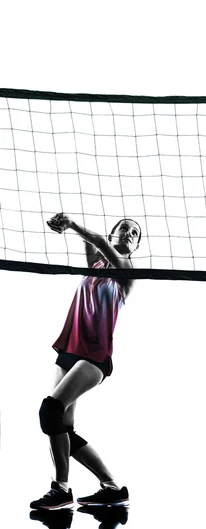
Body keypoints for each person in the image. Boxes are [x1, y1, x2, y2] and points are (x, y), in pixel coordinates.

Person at [30, 214, 141, 509]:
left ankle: (61, 489)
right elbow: (92, 243)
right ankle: (113, 487)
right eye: (124, 228)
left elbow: (99, 241)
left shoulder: (126, 270)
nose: (128, 233)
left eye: (134, 233)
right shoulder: (95, 265)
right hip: (69, 348)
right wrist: (64, 222)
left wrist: (73, 225)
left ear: (136, 245)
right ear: (114, 231)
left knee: (49, 409)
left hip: (95, 355)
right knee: (59, 423)